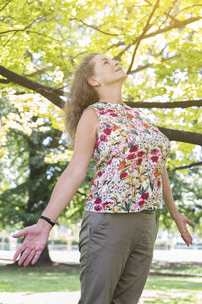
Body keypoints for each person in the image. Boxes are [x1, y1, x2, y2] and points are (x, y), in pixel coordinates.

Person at [12, 53, 194, 304]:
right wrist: (45, 223)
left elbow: (158, 167)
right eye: (106, 62)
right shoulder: (94, 114)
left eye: (114, 59)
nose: (115, 62)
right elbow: (75, 171)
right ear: (93, 80)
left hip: (146, 223)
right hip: (108, 220)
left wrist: (174, 213)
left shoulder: (140, 118)